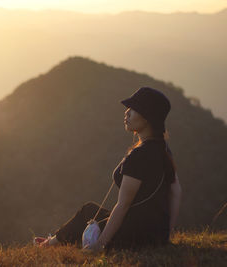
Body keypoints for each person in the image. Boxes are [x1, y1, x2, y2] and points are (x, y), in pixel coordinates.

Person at [34, 87, 182, 252]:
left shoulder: (140, 155)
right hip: (154, 233)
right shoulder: (163, 149)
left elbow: (123, 205)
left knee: (87, 217)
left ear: (147, 117)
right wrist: (165, 235)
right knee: (89, 210)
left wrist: (100, 245)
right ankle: (53, 241)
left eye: (133, 109)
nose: (127, 113)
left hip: (135, 234)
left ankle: (47, 245)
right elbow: (175, 192)